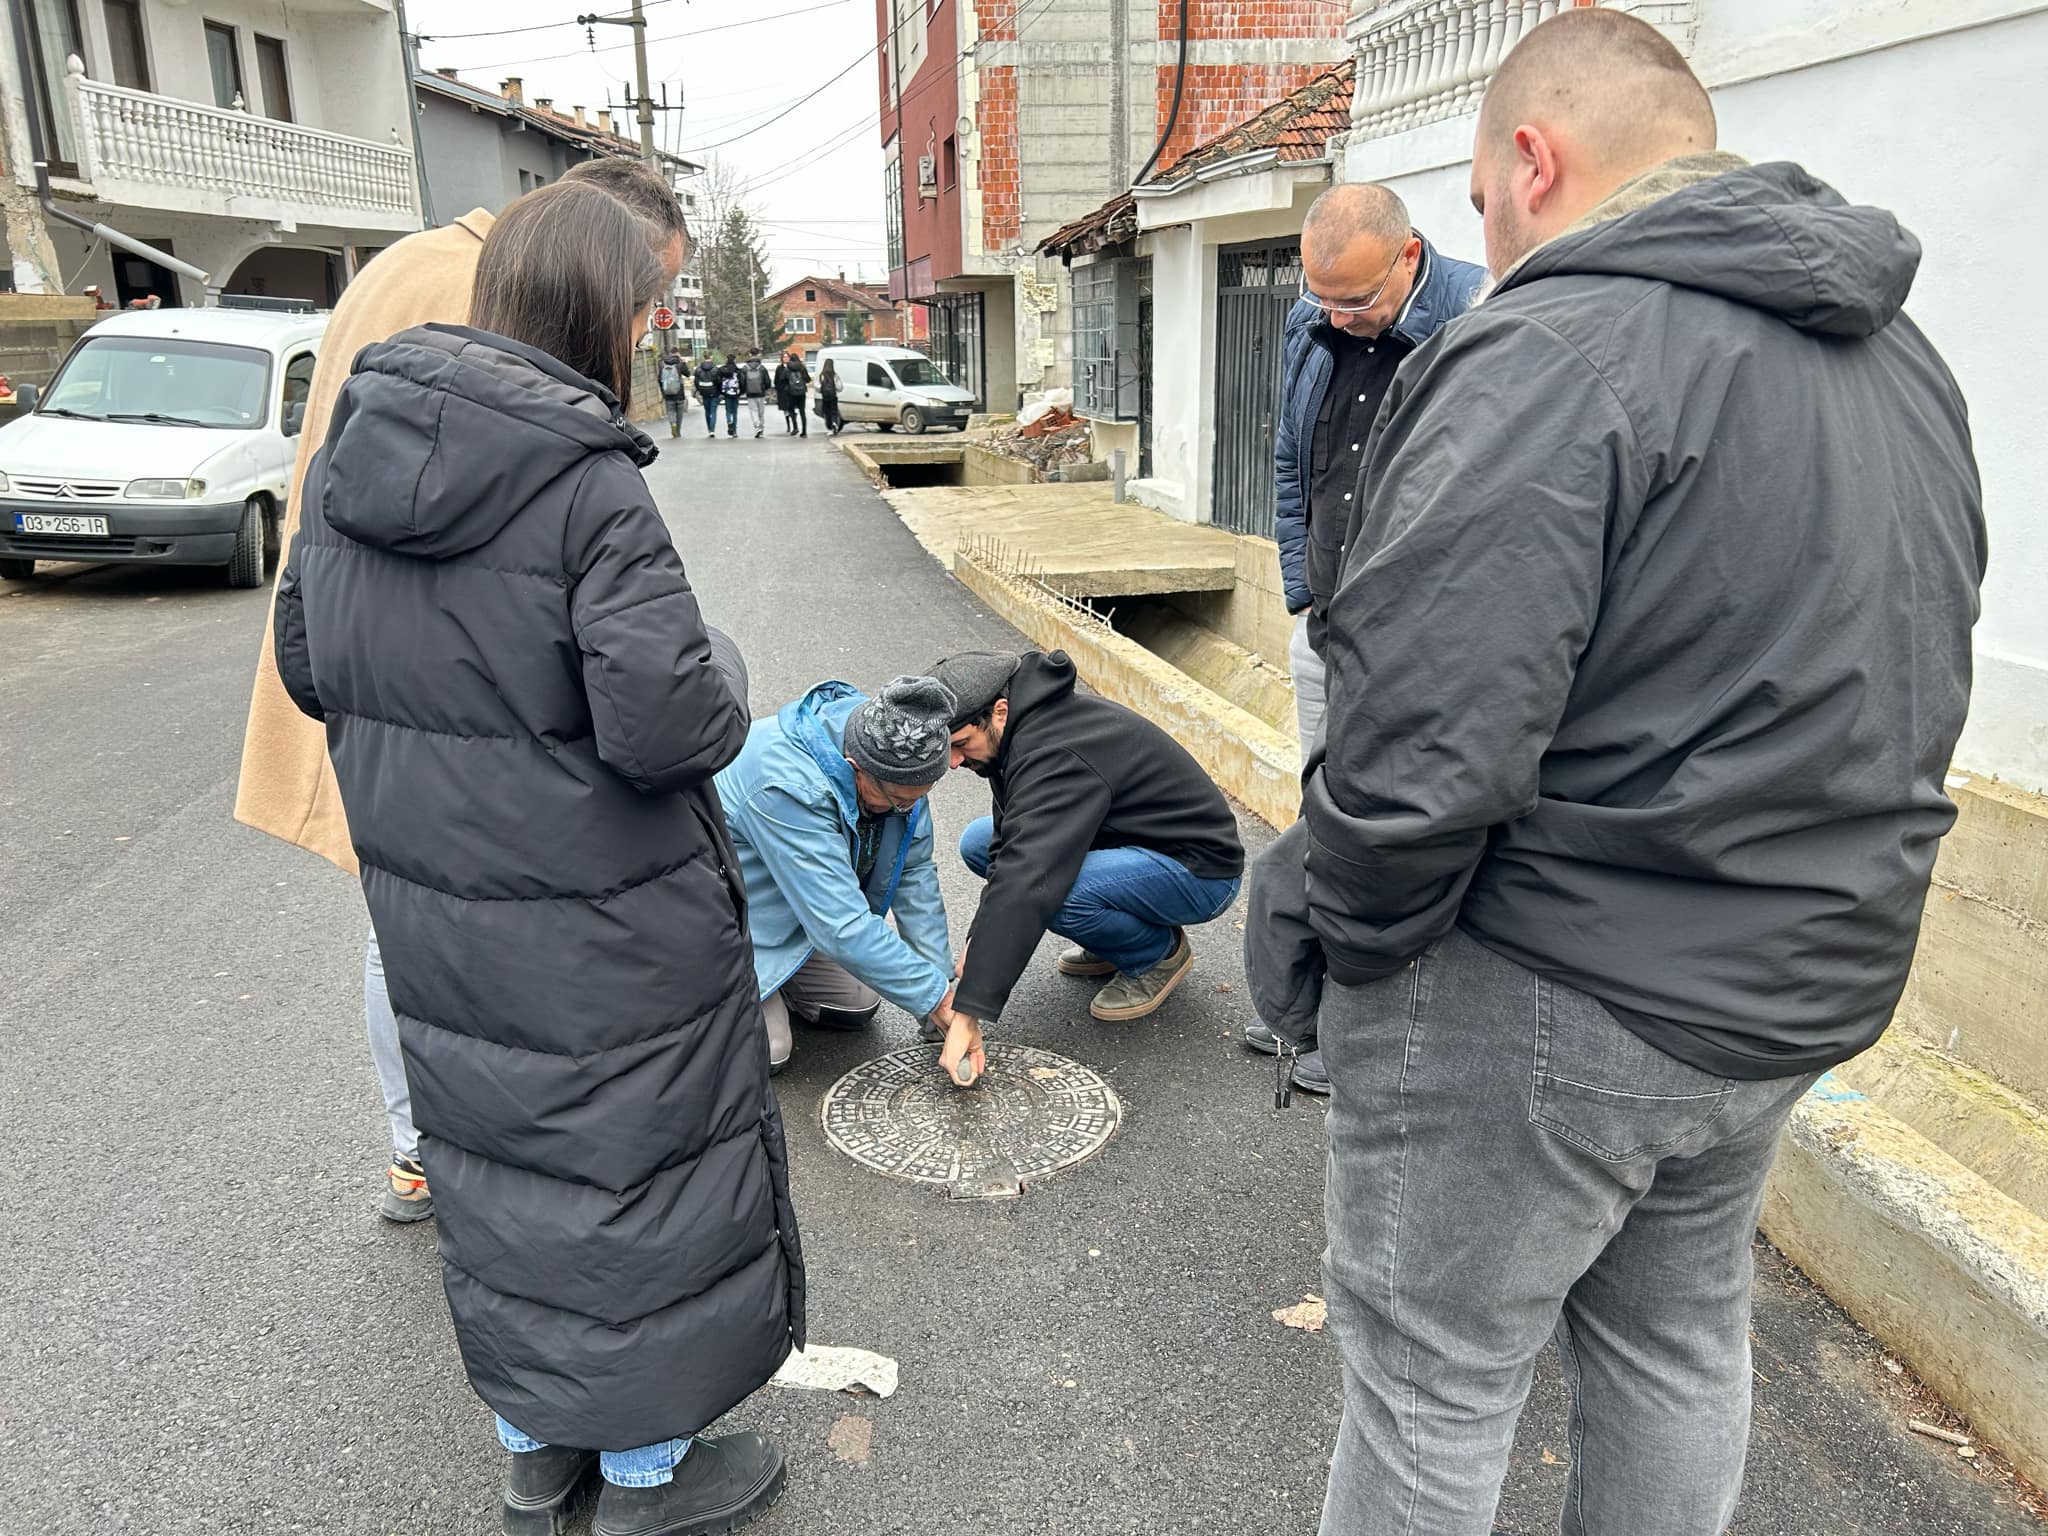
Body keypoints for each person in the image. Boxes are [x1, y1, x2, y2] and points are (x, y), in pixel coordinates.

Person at [1244, 12, 1984, 1534]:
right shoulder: (1906, 365)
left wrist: (1336, 942)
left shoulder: (1548, 349)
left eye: (1474, 198)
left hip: (1552, 984)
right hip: (1790, 987)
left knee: (1434, 1382)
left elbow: (1421, 754)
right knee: (1675, 1340)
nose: (1487, 233)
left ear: (1533, 156)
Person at [273, 180, 797, 1536]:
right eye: (647, 308)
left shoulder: (348, 453)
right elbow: (669, 720)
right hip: (603, 915)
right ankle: (644, 1472)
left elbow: (306, 659)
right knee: (631, 1168)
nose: (653, 329)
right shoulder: (583, 484)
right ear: (598, 315)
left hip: (437, 910)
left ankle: (533, 1444)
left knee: (502, 1165)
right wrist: (724, 663)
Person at [232, 155, 693, 1226]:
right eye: (643, 297)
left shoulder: (404, 268)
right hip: (464, 685)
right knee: (477, 930)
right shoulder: (491, 313)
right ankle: (478, 1157)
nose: (640, 330)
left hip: (361, 653)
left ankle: (418, 1151)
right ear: (589, 254)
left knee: (404, 912)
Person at [1250, 184, 1487, 1098]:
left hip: (1419, 645)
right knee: (1325, 812)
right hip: (1329, 620)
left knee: (1389, 832)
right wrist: (1303, 590)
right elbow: (1289, 457)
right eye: (1324, 302)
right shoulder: (1313, 323)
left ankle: (1370, 1028)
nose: (1340, 321)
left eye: (1357, 302)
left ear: (1410, 258)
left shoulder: (1477, 320)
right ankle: (1306, 1002)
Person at [926, 650, 1245, 1085]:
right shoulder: (1021, 729)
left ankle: (1157, 956)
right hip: (1130, 844)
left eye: (961, 745)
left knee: (1056, 893)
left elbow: (1028, 878)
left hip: (1199, 869)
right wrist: (978, 942)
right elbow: (1010, 845)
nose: (955, 762)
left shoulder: (1057, 750)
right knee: (978, 842)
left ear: (999, 711)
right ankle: (1112, 937)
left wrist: (969, 1012)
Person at [715, 677, 957, 1074]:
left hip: (797, 908)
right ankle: (719, 994)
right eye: (898, 801)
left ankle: (782, 978)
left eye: (917, 799)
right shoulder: (786, 786)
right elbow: (841, 926)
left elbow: (914, 874)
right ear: (856, 768)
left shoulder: (902, 758)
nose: (907, 809)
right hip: (729, 927)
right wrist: (936, 998)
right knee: (769, 1051)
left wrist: (941, 993)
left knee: (860, 1001)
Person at [738, 347, 772, 438]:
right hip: (761, 392)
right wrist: (766, 388)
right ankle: (761, 428)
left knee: (753, 411)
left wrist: (744, 389)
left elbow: (742, 381)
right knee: (761, 412)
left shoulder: (745, 368)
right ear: (758, 354)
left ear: (750, 354)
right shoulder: (762, 367)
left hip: (750, 393)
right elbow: (767, 381)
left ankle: (757, 427)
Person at [657, 345, 688, 439]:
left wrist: (663, 391)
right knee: (679, 413)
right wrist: (684, 363)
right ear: (677, 353)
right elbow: (688, 374)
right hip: (679, 393)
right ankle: (677, 431)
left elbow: (659, 379)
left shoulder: (663, 364)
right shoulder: (680, 363)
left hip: (668, 394)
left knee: (670, 411)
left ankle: (673, 424)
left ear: (670, 353)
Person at [693, 351, 722, 436]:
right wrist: (719, 391)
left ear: (704, 357)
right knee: (713, 411)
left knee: (707, 411)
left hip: (704, 392)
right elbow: (719, 381)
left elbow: (696, 382)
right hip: (714, 392)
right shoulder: (715, 369)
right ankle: (712, 430)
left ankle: (709, 429)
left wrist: (699, 390)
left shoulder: (698, 369)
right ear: (711, 357)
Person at [717, 350, 743, 436]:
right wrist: (741, 391)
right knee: (734, 411)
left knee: (728, 410)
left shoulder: (722, 370)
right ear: (734, 360)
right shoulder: (737, 371)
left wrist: (720, 391)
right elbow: (742, 381)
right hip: (735, 392)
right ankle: (734, 430)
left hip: (726, 392)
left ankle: (729, 421)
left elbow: (718, 380)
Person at [818, 359, 843, 435]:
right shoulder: (835, 375)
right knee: (834, 412)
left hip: (825, 397)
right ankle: (834, 423)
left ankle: (830, 428)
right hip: (833, 396)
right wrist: (836, 389)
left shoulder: (821, 375)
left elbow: (817, 386)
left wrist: (821, 390)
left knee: (827, 413)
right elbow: (840, 387)